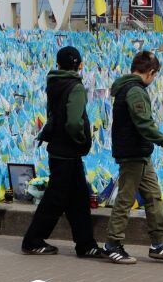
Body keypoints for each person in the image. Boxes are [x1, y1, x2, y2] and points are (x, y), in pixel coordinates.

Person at [21, 46, 105, 259]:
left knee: (78, 198)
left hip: (58, 149)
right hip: (68, 150)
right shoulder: (75, 87)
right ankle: (32, 240)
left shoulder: (54, 82)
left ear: (58, 64)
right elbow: (74, 122)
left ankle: (86, 244)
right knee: (55, 199)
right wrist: (81, 140)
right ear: (79, 65)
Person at [104, 51, 163, 264]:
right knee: (125, 198)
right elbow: (144, 124)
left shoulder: (127, 88)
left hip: (140, 152)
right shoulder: (135, 91)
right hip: (133, 152)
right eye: (155, 75)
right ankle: (112, 244)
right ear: (150, 72)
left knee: (153, 196)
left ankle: (159, 243)